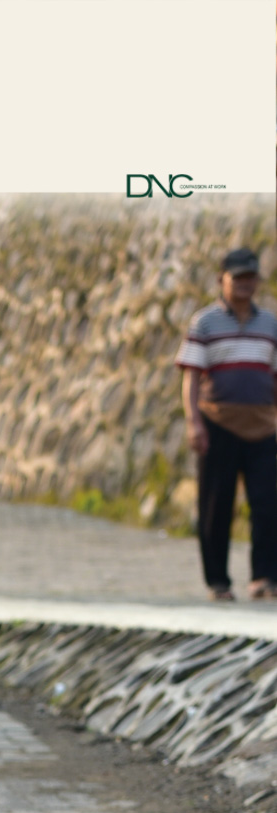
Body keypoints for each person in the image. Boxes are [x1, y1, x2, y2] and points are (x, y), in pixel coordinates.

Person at [176, 246, 277, 601]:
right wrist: (194, 422)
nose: (246, 284)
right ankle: (218, 582)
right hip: (217, 423)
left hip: (262, 425)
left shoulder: (270, 324)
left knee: (267, 504)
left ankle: (265, 577)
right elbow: (191, 376)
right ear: (222, 280)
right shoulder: (205, 322)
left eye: (251, 277)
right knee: (217, 505)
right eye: (239, 278)